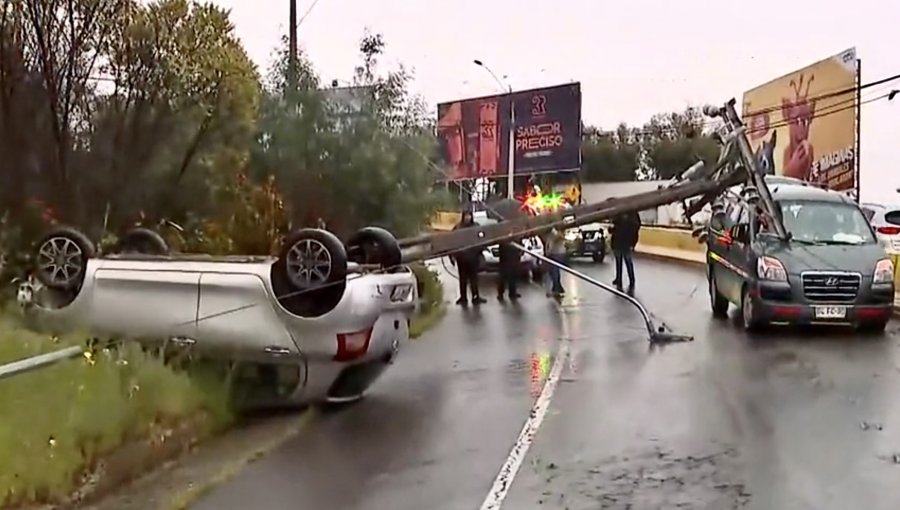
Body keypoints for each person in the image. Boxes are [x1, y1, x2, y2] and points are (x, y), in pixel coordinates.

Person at [451, 210, 486, 306]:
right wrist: (453, 256)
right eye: (466, 216)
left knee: (474, 278)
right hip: (461, 258)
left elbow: (482, 238)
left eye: (469, 216)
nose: (468, 218)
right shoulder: (458, 228)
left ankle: (476, 297)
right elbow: (451, 242)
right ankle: (463, 297)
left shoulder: (476, 226)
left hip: (473, 257)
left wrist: (480, 251)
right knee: (463, 279)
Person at [611, 211, 641, 294]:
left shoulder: (632, 216)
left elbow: (636, 228)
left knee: (627, 261)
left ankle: (631, 280)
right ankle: (620, 279)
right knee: (620, 261)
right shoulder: (621, 215)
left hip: (625, 241)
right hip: (620, 241)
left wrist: (633, 243)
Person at [544, 227, 567, 298]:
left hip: (556, 253)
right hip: (556, 253)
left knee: (554, 271)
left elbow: (551, 243)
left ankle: (556, 288)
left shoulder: (554, 233)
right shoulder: (551, 234)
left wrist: (548, 252)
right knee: (553, 271)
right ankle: (557, 287)